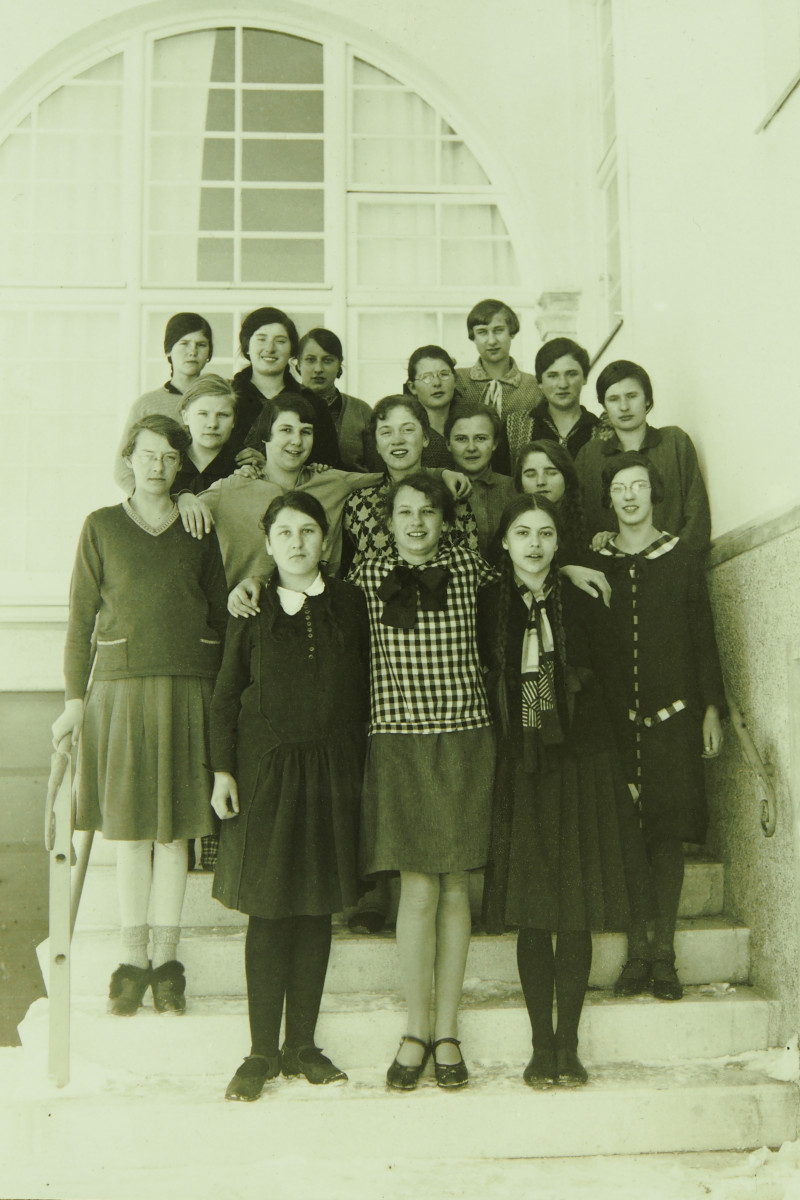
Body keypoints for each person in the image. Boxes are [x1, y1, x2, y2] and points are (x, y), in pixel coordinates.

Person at [52, 415, 228, 1016]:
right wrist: (76, 699)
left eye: (169, 458)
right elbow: (79, 621)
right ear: (130, 458)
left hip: (187, 685)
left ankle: (168, 964)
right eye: (147, 455)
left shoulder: (200, 526)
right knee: (129, 832)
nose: (157, 466)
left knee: (174, 831)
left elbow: (220, 617)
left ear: (181, 465)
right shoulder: (100, 526)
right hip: (121, 689)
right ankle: (133, 963)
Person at [478, 494, 650, 1088]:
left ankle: (569, 1045)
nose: (533, 544)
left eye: (545, 534)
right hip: (521, 765)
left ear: (559, 542)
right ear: (503, 542)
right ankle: (538, 1045)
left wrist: (627, 768)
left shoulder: (582, 597)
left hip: (581, 764)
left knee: (573, 909)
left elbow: (615, 685)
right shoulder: (486, 602)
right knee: (532, 910)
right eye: (521, 533)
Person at [210, 492, 369, 1101]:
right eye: (285, 532)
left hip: (332, 770)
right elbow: (226, 697)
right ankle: (260, 1051)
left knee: (316, 907)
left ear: (324, 542)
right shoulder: (249, 608)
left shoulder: (350, 603)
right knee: (270, 910)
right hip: (267, 773)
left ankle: (302, 1044)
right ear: (268, 542)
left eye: (309, 531)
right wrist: (223, 771)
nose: (298, 542)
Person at [349, 473, 496, 1090]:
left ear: (445, 519)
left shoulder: (472, 568)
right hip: (400, 740)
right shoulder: (362, 576)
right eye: (404, 513)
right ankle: (415, 1029)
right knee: (417, 889)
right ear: (389, 521)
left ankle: (448, 1031)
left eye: (427, 513)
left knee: (456, 885)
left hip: (464, 736)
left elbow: (532, 575)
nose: (416, 523)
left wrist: (567, 570)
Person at [589, 453, 725, 1002]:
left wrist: (713, 708)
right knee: (626, 837)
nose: (629, 496)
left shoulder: (682, 557)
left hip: (673, 720)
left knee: (666, 836)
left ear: (654, 493)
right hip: (617, 724)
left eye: (638, 486)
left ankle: (663, 953)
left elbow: (702, 635)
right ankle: (635, 952)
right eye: (619, 487)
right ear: (610, 498)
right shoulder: (599, 562)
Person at [177, 394, 383, 588]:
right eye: (286, 430)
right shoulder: (232, 488)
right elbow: (169, 515)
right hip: (248, 611)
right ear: (266, 434)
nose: (296, 441)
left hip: (315, 611)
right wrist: (182, 497)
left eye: (305, 432)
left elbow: (391, 479)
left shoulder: (334, 483)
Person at [575, 359, 711, 556]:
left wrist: (675, 560)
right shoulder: (591, 455)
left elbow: (697, 516)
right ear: (603, 404)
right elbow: (577, 522)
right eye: (613, 399)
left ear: (647, 399)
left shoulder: (674, 442)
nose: (624, 407)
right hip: (614, 573)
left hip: (674, 569)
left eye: (632, 396)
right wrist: (601, 540)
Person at [342, 395, 478, 573]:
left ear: (426, 438)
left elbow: (472, 570)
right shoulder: (357, 504)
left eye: (407, 430)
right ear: (376, 445)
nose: (397, 440)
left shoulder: (451, 495)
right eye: (386, 432)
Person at [113, 312, 213, 492]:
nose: (192, 351)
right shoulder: (147, 404)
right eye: (184, 344)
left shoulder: (220, 402)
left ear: (209, 353)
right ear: (168, 349)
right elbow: (122, 468)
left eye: (201, 345)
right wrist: (149, 503)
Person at [232, 307, 341, 467]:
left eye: (280, 341)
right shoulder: (226, 399)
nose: (270, 348)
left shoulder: (314, 404)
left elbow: (330, 466)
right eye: (261, 339)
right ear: (247, 346)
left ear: (292, 349)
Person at [506, 337, 598, 464]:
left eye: (571, 374)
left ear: (585, 378)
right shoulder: (514, 427)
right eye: (553, 376)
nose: (563, 384)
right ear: (540, 382)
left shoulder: (601, 431)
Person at [294, 328, 374, 472]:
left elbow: (377, 469)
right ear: (298, 363)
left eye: (327, 360)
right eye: (310, 360)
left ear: (339, 364)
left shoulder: (361, 411)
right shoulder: (281, 408)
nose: (318, 369)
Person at [455, 299, 542, 425]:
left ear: (511, 332)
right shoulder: (457, 382)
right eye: (482, 332)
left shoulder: (534, 387)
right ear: (473, 336)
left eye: (498, 330)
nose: (492, 341)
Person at [445, 403, 515, 557]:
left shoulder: (513, 489)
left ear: (495, 443)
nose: (471, 448)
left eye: (481, 438)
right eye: (461, 439)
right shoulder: (436, 489)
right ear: (448, 444)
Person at [514, 440, 587, 566]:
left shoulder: (588, 523)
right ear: (520, 483)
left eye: (552, 472)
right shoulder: (511, 524)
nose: (541, 481)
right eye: (530, 474)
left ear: (567, 478)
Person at [172, 374, 239, 495]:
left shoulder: (242, 469)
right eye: (203, 414)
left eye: (222, 415)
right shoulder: (169, 462)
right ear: (185, 417)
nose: (213, 424)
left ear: (234, 421)